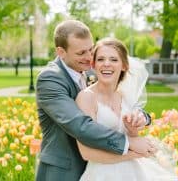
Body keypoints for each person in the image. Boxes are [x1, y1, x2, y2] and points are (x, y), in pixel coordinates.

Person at [35, 20, 155, 181]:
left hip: (103, 167)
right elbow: (80, 125)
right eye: (81, 53)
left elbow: (125, 100)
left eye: (90, 50)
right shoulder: (50, 79)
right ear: (61, 52)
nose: (89, 57)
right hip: (65, 170)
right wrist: (129, 143)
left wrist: (142, 117)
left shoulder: (92, 73)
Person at [76, 37, 178, 181]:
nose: (106, 64)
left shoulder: (125, 97)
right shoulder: (86, 97)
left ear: (124, 65)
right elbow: (86, 153)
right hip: (102, 174)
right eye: (100, 59)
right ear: (93, 64)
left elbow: (133, 138)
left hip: (134, 172)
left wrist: (132, 129)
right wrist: (135, 154)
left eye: (113, 59)